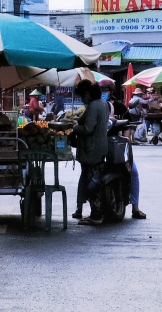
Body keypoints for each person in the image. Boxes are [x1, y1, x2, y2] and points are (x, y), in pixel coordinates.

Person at [71, 79, 108, 225]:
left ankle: (96, 215)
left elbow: (87, 128)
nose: (82, 100)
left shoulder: (93, 105)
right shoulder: (102, 103)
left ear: (87, 94)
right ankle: (93, 213)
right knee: (93, 180)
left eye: (82, 97)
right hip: (99, 148)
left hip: (91, 150)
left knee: (93, 182)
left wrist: (75, 127)